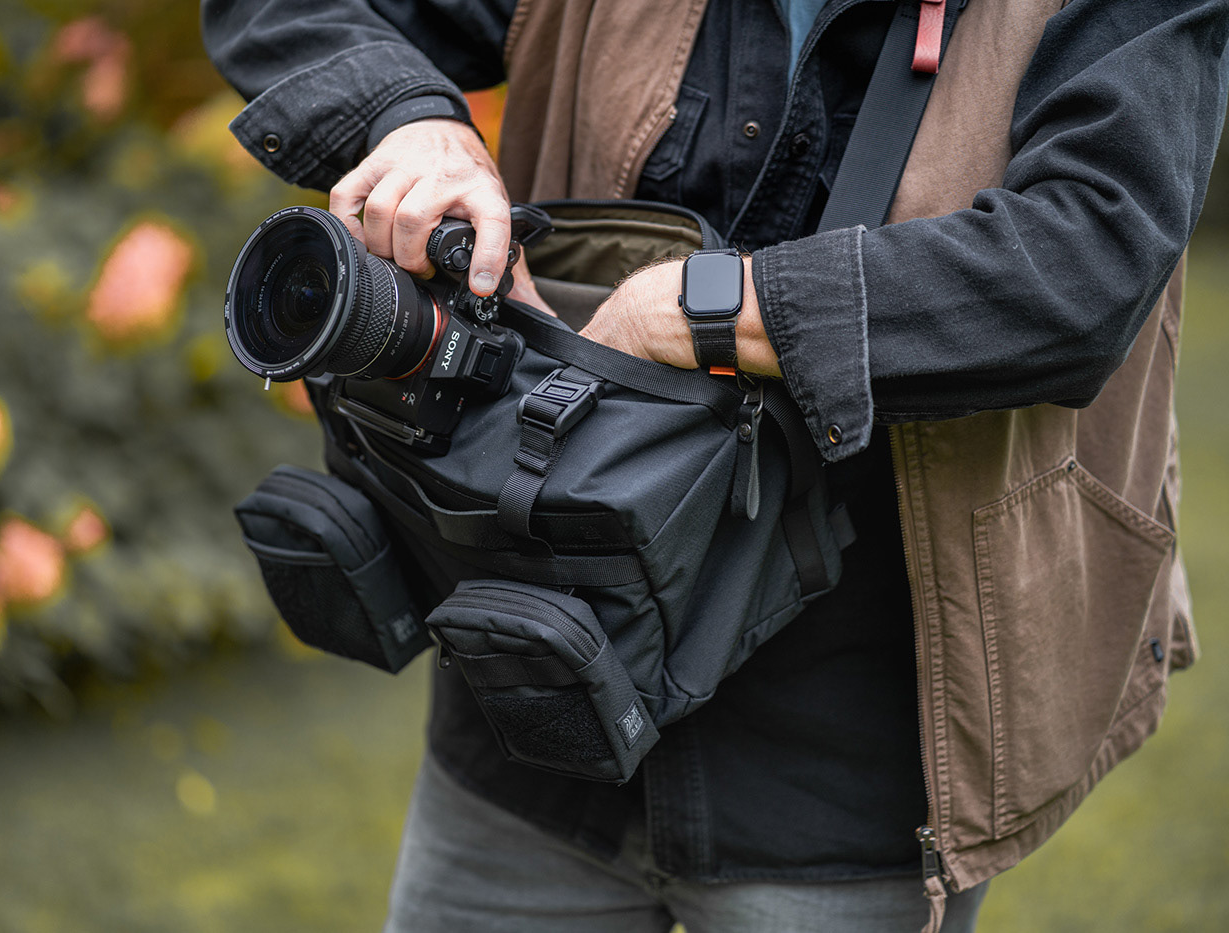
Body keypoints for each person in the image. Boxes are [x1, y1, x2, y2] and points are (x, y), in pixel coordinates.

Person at [202, 1, 1228, 930]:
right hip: (524, 683)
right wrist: (408, 120)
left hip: (853, 762)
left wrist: (701, 310)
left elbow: (1080, 265)